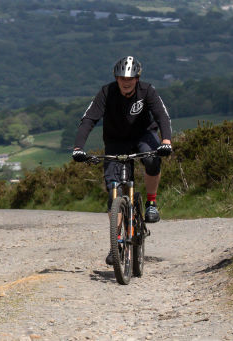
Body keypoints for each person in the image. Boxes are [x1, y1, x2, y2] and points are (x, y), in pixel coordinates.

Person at [71, 55, 173, 258]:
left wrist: (166, 141)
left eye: (130, 78)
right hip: (116, 141)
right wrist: (78, 148)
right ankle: (116, 244)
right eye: (122, 78)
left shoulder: (147, 91)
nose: (126, 82)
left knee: (153, 160)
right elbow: (89, 119)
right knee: (113, 193)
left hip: (144, 134)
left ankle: (151, 203)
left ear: (137, 78)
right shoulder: (106, 93)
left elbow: (162, 115)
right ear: (116, 78)